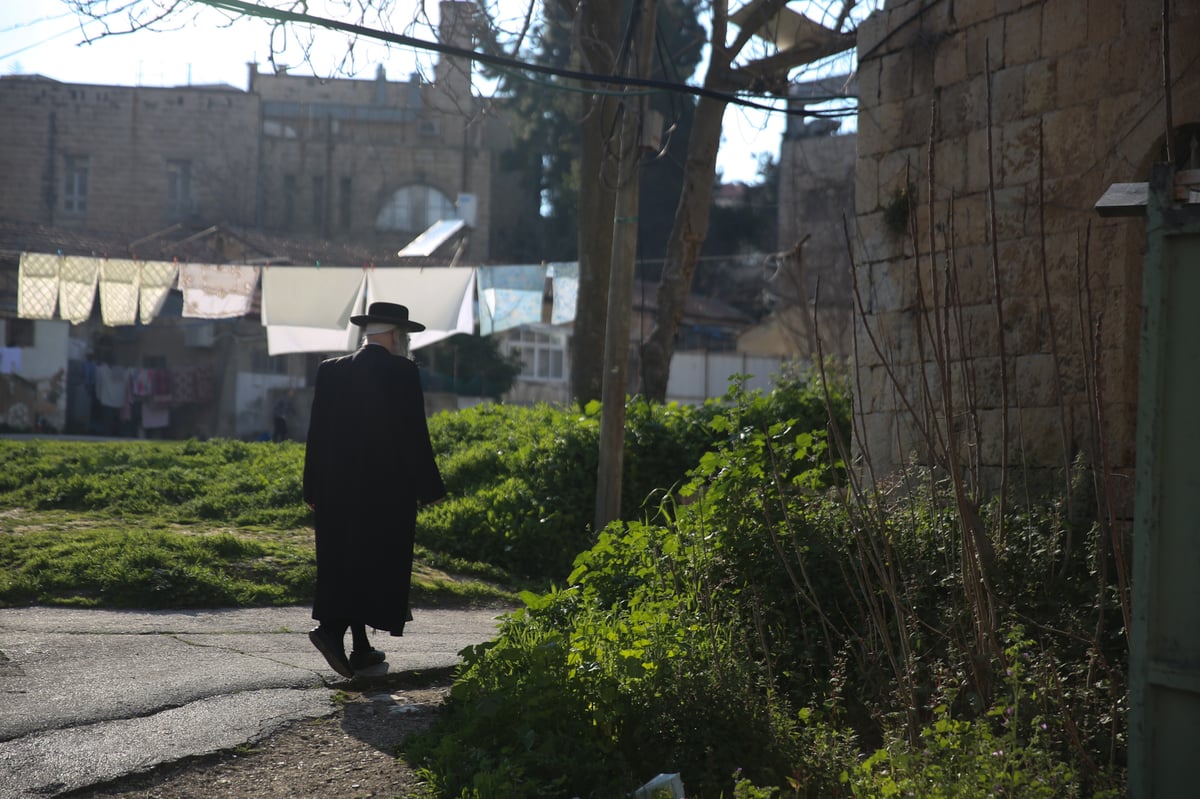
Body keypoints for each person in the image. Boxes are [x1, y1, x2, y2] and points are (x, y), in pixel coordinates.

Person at [302, 301, 446, 678]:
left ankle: (361, 648)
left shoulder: (330, 370)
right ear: (397, 336)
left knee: (344, 562)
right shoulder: (402, 372)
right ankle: (331, 630)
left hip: (335, 490)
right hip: (384, 492)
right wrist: (430, 487)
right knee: (373, 565)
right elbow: (415, 435)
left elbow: (316, 436)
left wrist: (311, 488)